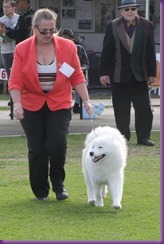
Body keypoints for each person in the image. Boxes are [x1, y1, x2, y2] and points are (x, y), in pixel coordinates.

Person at [8, 8, 94, 201]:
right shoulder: (22, 48)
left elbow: (76, 76)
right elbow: (15, 81)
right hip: (31, 103)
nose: (48, 35)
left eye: (51, 30)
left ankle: (58, 184)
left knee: (57, 144)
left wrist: (87, 100)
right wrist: (17, 104)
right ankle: (40, 191)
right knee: (37, 148)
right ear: (35, 28)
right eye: (43, 31)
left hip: (59, 102)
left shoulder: (68, 47)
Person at [100, 0, 156, 146]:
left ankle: (144, 137)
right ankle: (123, 137)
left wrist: (152, 73)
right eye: (126, 9)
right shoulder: (112, 25)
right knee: (121, 108)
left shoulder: (147, 25)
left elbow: (150, 50)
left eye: (132, 9)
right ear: (121, 11)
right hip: (119, 74)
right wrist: (104, 73)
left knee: (143, 107)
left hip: (140, 74)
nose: (129, 11)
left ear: (137, 10)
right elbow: (107, 51)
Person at [0, 0, 34, 119]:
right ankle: (15, 104)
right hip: (9, 51)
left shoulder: (27, 16)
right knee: (13, 79)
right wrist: (4, 34)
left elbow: (22, 33)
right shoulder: (23, 15)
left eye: (17, 3)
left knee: (21, 79)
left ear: (25, 2)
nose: (6, 9)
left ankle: (20, 104)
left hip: (21, 51)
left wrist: (6, 32)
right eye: (4, 7)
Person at [60, 28, 89, 113]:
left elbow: (86, 64)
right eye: (63, 38)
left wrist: (79, 69)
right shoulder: (56, 48)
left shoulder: (79, 49)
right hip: (62, 75)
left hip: (75, 73)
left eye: (68, 38)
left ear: (72, 39)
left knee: (79, 82)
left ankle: (77, 104)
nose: (65, 40)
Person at [0, 0, 19, 80]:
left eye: (8, 7)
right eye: (4, 7)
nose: (5, 9)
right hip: (6, 51)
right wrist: (3, 40)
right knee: (10, 76)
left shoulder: (19, 18)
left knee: (18, 74)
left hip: (17, 51)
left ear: (13, 7)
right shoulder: (1, 20)